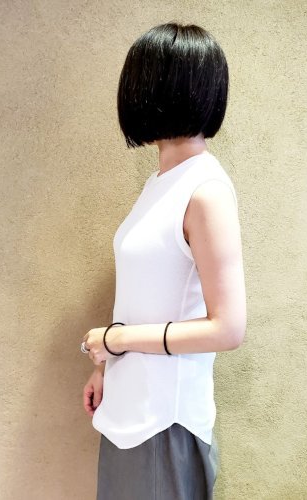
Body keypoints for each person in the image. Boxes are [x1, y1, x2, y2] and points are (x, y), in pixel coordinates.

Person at [81, 21, 247, 500]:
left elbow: (228, 328)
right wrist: (106, 366)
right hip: (129, 411)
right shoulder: (160, 184)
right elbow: (148, 294)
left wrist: (116, 340)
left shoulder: (206, 191)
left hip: (163, 423)